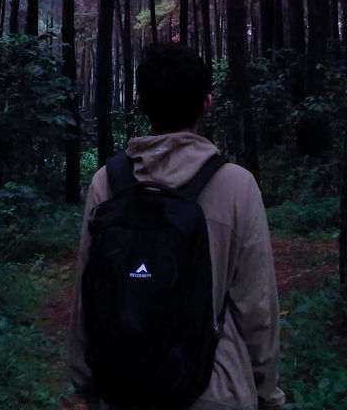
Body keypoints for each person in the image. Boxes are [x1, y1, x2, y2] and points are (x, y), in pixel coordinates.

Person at [67, 42, 286, 410]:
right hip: (217, 393)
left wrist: (82, 390)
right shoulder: (237, 185)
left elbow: (85, 300)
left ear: (140, 103)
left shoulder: (107, 182)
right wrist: (268, 396)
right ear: (207, 103)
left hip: (123, 390)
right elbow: (256, 306)